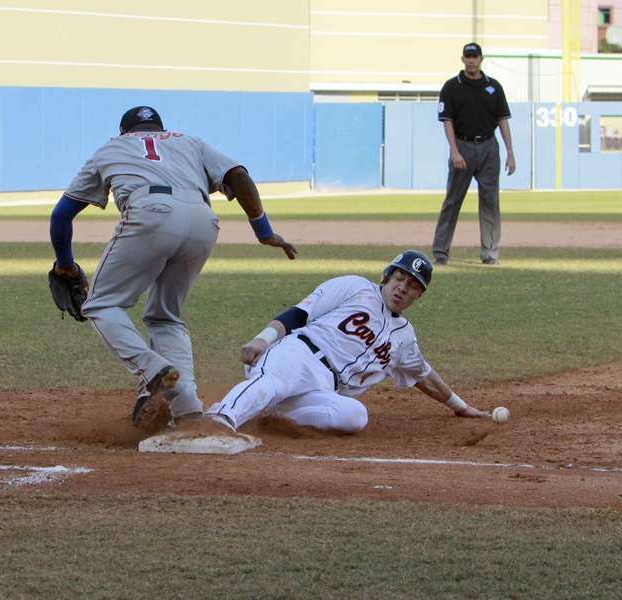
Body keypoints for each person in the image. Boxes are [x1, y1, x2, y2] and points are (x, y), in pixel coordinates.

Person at [49, 105, 297, 429]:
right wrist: (263, 231)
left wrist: (66, 265)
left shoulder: (112, 147)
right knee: (164, 316)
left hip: (149, 211)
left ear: (126, 132)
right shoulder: (189, 142)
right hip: (202, 221)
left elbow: (61, 215)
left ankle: (151, 370)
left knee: (101, 304)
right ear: (160, 129)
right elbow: (238, 176)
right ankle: (188, 408)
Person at [198, 250, 488, 438]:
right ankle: (218, 418)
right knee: (274, 381)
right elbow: (301, 312)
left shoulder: (404, 336)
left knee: (354, 416)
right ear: (387, 277)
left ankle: (266, 416)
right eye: (400, 278)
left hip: (325, 387)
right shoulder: (356, 287)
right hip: (299, 353)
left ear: (419, 296)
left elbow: (423, 375)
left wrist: (460, 406)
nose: (403, 288)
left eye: (413, 286)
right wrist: (263, 338)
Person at [432, 42, 515, 266]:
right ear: (462, 59)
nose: (471, 60)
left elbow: (502, 120)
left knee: (490, 201)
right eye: (468, 56)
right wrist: (454, 151)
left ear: (481, 59)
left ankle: (490, 253)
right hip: (463, 145)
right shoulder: (451, 86)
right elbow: (447, 121)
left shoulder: (493, 87)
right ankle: (441, 251)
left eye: (475, 56)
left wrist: (510, 152)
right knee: (453, 200)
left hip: (489, 146)